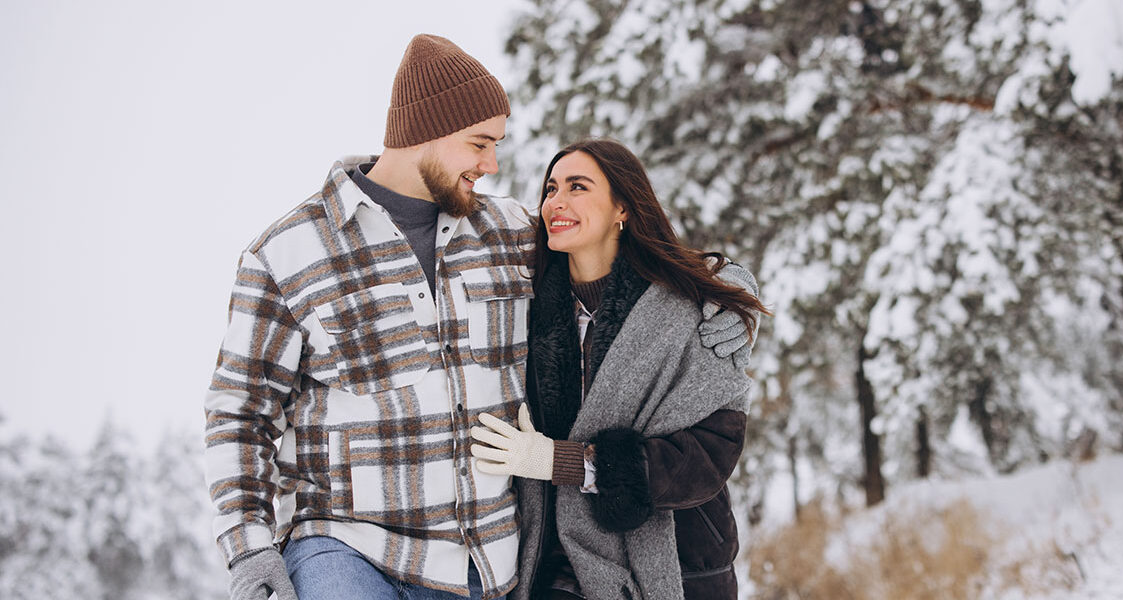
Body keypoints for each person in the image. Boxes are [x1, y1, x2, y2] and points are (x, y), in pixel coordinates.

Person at [204, 36, 757, 600]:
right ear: (427, 133)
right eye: (480, 143)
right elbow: (239, 413)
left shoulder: (510, 234)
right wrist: (249, 547)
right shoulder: (289, 254)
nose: (491, 164)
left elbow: (623, 254)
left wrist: (727, 289)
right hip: (349, 549)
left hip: (484, 564)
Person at [470, 139, 767, 600]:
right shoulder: (529, 312)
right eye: (550, 189)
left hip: (678, 564)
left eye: (578, 186)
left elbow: (713, 452)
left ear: (622, 207)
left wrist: (558, 461)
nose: (556, 202)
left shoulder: (691, 311)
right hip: (559, 565)